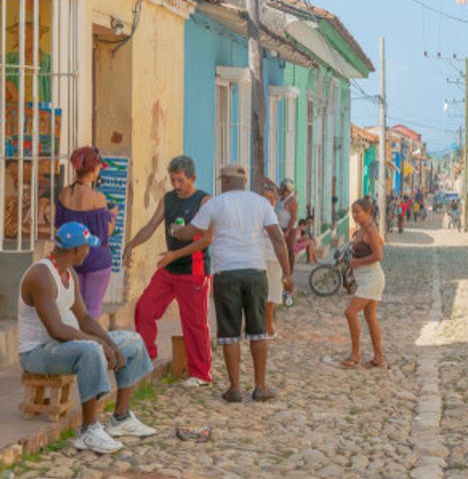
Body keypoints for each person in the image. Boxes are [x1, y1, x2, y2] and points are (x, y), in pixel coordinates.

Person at [18, 222, 155, 454]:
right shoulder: (41, 275)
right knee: (90, 351)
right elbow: (56, 329)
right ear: (76, 250)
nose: (89, 251)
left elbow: (84, 318)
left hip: (66, 344)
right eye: (86, 247)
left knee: (133, 342)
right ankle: (88, 431)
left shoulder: (69, 273)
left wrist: (110, 343)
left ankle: (120, 418)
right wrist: (98, 343)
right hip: (38, 352)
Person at [172, 164, 293, 403]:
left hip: (226, 273)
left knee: (230, 333)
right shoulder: (260, 203)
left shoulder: (215, 204)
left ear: (224, 182)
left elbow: (190, 232)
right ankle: (260, 387)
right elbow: (278, 239)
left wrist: (175, 230)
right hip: (255, 271)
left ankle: (235, 388)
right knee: (258, 331)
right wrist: (287, 273)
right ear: (244, 182)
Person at [123, 156, 214, 388]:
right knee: (144, 308)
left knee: (194, 323)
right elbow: (152, 225)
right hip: (169, 268)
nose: (176, 185)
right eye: (173, 180)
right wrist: (131, 244)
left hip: (194, 270)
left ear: (192, 178)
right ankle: (147, 356)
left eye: (180, 180)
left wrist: (174, 255)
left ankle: (201, 373)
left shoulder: (204, 201)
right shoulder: (168, 199)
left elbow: (206, 239)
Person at [56, 146, 117, 319]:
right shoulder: (97, 198)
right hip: (96, 259)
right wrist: (113, 216)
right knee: (92, 309)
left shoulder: (64, 195)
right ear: (94, 169)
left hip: (72, 259)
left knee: (73, 309)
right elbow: (105, 232)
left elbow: (60, 225)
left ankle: (75, 343)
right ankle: (91, 345)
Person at [342, 198, 385, 369]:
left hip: (372, 278)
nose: (354, 215)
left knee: (350, 313)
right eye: (353, 211)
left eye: (357, 211)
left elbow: (378, 256)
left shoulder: (371, 230)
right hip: (364, 278)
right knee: (370, 317)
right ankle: (379, 357)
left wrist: (356, 263)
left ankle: (355, 354)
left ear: (368, 212)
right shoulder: (362, 230)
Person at [261, 183, 285, 339]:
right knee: (263, 294)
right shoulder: (257, 216)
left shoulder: (274, 216)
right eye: (266, 198)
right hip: (262, 258)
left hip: (274, 260)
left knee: (273, 293)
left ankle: (268, 323)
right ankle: (266, 325)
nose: (270, 201)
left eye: (273, 198)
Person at [275, 179, 299, 273]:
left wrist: (287, 232)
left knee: (289, 251)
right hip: (279, 228)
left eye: (282, 187)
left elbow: (294, 218)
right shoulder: (280, 198)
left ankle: (290, 272)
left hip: (288, 230)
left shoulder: (292, 200)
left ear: (286, 189)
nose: (280, 188)